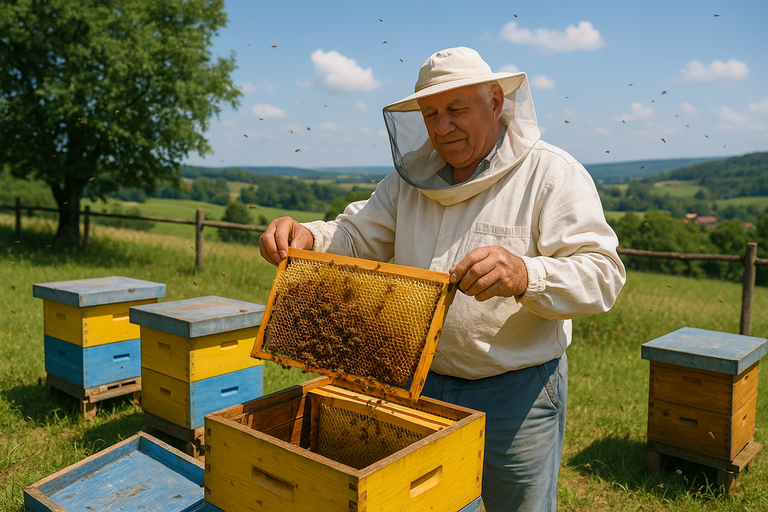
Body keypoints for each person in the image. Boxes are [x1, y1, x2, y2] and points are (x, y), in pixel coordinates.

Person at [259, 47, 626, 511]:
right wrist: (307, 237)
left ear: (496, 101)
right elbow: (356, 237)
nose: (442, 127)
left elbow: (603, 273)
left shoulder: (551, 173)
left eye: (456, 109)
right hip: (418, 381)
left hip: (516, 390)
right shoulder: (407, 181)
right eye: (430, 113)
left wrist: (526, 274)